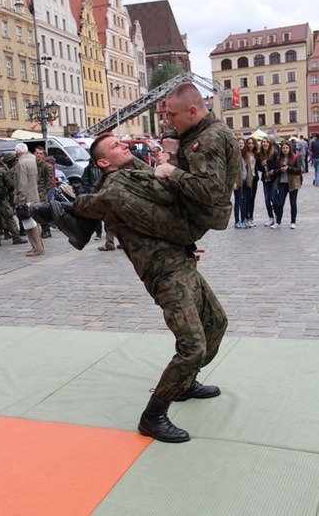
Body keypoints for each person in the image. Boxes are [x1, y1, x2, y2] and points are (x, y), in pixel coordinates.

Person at [32, 84, 240, 443]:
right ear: (103, 163)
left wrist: (169, 172)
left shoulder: (139, 172)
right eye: (115, 146)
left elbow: (168, 207)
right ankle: (153, 415)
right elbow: (146, 216)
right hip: (164, 270)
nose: (124, 144)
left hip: (181, 260)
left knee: (217, 324)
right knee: (192, 346)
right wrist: (56, 208)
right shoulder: (114, 190)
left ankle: (185, 383)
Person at [14, 143, 44, 256]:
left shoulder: (21, 163)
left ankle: (37, 247)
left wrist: (21, 200)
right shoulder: (32, 161)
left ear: (17, 152)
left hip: (26, 197)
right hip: (33, 194)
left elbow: (22, 183)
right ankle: (37, 246)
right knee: (33, 222)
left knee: (29, 223)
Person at [272, 140, 302, 229]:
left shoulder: (295, 157)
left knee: (293, 203)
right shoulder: (279, 159)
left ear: (290, 148)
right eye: (283, 148)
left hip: (293, 182)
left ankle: (293, 222)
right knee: (280, 203)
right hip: (282, 183)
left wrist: (288, 168)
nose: (285, 150)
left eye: (287, 148)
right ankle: (278, 221)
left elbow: (299, 170)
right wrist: (280, 170)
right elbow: (275, 171)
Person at [256, 136, 278, 227]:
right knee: (267, 199)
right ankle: (270, 217)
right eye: (263, 142)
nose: (264, 143)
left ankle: (277, 216)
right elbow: (259, 168)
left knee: (273, 198)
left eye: (266, 142)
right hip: (265, 179)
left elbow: (278, 166)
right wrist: (261, 164)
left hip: (273, 179)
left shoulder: (274, 153)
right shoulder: (259, 154)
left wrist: (274, 170)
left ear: (269, 144)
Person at [34, 146, 54, 239]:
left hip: (42, 192)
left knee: (42, 211)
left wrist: (44, 192)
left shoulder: (47, 166)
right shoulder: (33, 165)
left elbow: (49, 181)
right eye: (37, 153)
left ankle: (46, 229)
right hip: (33, 191)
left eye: (41, 153)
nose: (38, 155)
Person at [245, 137, 259, 226]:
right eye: (249, 143)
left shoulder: (256, 154)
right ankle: (245, 216)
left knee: (252, 198)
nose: (250, 145)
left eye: (252, 143)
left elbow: (259, 167)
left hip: (254, 178)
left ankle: (251, 217)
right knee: (246, 198)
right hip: (246, 178)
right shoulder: (244, 154)